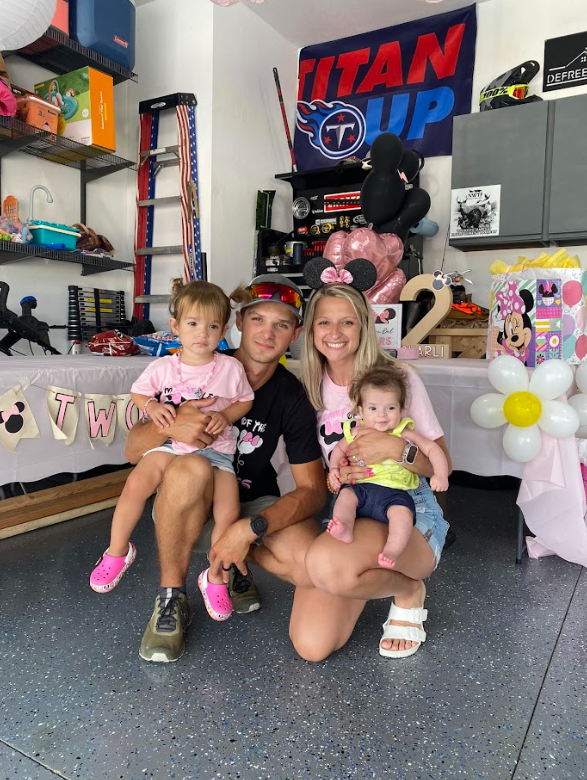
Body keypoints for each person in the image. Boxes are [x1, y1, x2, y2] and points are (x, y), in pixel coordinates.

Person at [124, 275, 327, 663]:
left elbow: (313, 490)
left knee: (307, 563)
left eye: (281, 324)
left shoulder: (293, 396)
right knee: (190, 471)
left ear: (295, 333)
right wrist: (170, 423)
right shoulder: (196, 363)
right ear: (238, 322)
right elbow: (133, 452)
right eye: (258, 320)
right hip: (187, 500)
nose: (267, 334)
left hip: (250, 499)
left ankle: (232, 563)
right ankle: (172, 598)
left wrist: (249, 529)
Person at [300, 272, 451, 659]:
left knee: (324, 564)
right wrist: (337, 479)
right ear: (311, 329)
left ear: (364, 325)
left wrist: (395, 449)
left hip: (406, 507)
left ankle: (408, 588)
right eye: (324, 321)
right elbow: (323, 469)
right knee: (312, 645)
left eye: (347, 320)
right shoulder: (308, 387)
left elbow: (442, 464)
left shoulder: (397, 380)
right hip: (356, 505)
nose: (335, 331)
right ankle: (364, 575)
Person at [90, 279, 254, 623]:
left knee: (228, 513)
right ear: (176, 326)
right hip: (169, 446)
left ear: (224, 330)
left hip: (218, 453)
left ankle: (215, 577)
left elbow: (245, 400)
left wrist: (224, 416)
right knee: (136, 484)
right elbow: (139, 394)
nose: (202, 334)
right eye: (193, 324)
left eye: (212, 326)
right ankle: (118, 550)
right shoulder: (163, 367)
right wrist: (151, 407)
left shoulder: (229, 368)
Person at [328, 365, 449, 570]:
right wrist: (333, 471)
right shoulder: (356, 432)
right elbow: (338, 451)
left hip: (395, 494)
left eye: (390, 408)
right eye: (373, 408)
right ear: (361, 411)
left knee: (402, 514)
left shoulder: (403, 432)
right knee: (345, 498)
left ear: (401, 410)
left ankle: (392, 550)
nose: (382, 415)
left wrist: (440, 474)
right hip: (361, 489)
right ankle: (345, 527)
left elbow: (433, 449)